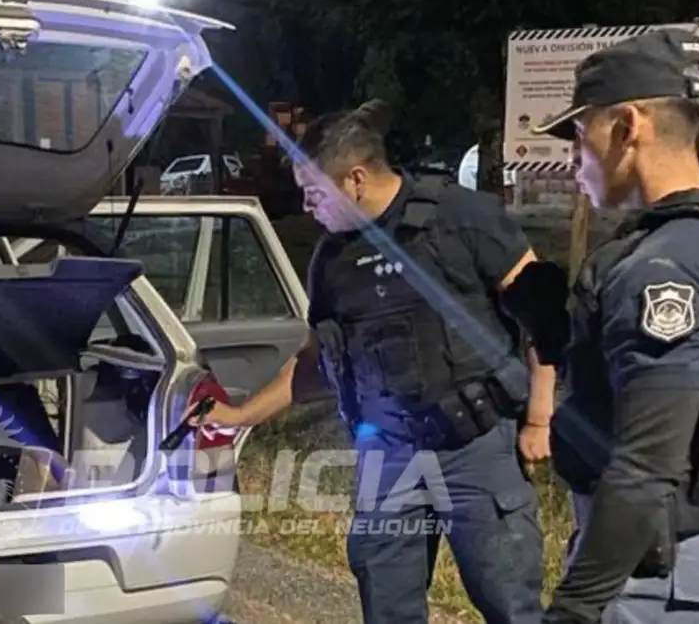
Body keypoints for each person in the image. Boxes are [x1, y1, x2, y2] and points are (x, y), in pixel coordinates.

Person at [190, 99, 553, 623]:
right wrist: (239, 416)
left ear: (355, 180)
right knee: (386, 602)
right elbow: (315, 362)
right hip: (390, 456)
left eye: (315, 192)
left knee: (509, 602)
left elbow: (542, 312)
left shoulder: (462, 218)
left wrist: (540, 416)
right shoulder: (332, 262)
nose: (307, 207)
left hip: (475, 445)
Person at [528, 28, 699, 623]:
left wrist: (574, 608)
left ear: (628, 126)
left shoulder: (664, 266)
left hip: (648, 578)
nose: (574, 161)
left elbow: (647, 463)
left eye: (581, 136)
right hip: (669, 568)